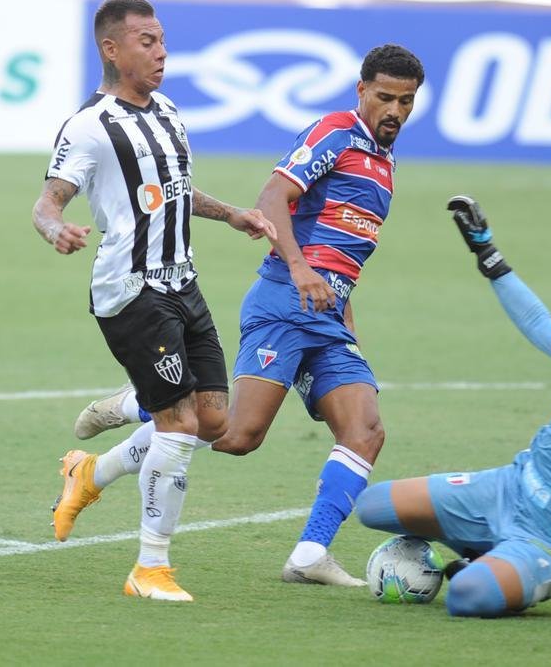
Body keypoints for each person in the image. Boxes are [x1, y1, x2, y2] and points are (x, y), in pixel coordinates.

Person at [72, 44, 427, 587]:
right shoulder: (336, 132)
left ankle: (309, 554)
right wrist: (300, 268)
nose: (395, 110)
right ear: (362, 92)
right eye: (384, 97)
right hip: (286, 300)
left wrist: (344, 321)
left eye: (406, 101)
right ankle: (134, 407)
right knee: (236, 435)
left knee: (366, 431)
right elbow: (273, 195)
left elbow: (343, 255)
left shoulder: (384, 164)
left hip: (327, 316)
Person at [32, 0, 275, 603]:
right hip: (130, 289)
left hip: (182, 281)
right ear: (112, 49)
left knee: (214, 420)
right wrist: (55, 229)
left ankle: (90, 469)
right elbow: (48, 202)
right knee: (179, 422)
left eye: (162, 38)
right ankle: (151, 568)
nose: (161, 50)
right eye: (146, 40)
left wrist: (233, 214)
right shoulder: (89, 126)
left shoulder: (167, 111)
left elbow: (176, 191)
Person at [354, 196, 551, 617]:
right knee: (373, 506)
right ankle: (485, 549)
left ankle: (498, 567)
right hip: (508, 489)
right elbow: (536, 321)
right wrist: (487, 253)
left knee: (466, 597)